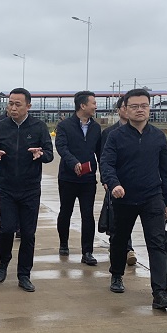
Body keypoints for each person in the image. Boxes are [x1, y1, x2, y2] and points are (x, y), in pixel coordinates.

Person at [100, 88, 167, 309]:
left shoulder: (158, 137)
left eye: (144, 106)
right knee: (119, 239)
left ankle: (160, 293)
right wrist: (114, 184)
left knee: (157, 243)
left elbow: (165, 172)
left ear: (149, 108)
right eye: (134, 106)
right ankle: (117, 275)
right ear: (125, 109)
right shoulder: (116, 136)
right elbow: (106, 164)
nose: (140, 110)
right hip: (124, 197)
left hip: (152, 198)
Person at [0, 88, 53, 292]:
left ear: (28, 106)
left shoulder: (39, 127)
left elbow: (49, 154)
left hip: (30, 189)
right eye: (10, 104)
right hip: (7, 187)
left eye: (17, 104)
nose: (13, 108)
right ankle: (3, 260)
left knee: (28, 233)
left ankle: (24, 274)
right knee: (6, 229)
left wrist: (40, 155)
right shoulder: (0, 126)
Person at [55, 91, 101, 266]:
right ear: (83, 105)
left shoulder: (96, 128)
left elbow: (101, 153)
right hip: (68, 178)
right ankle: (63, 243)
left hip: (88, 178)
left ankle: (87, 252)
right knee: (65, 212)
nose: (95, 106)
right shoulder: (65, 126)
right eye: (93, 103)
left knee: (87, 214)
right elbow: (61, 147)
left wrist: (106, 177)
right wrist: (73, 162)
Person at [101, 96, 136, 267]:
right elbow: (103, 158)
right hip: (115, 182)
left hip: (135, 183)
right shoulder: (109, 133)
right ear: (120, 109)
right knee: (117, 218)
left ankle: (127, 248)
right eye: (125, 107)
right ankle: (124, 249)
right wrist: (106, 180)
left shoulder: (144, 133)